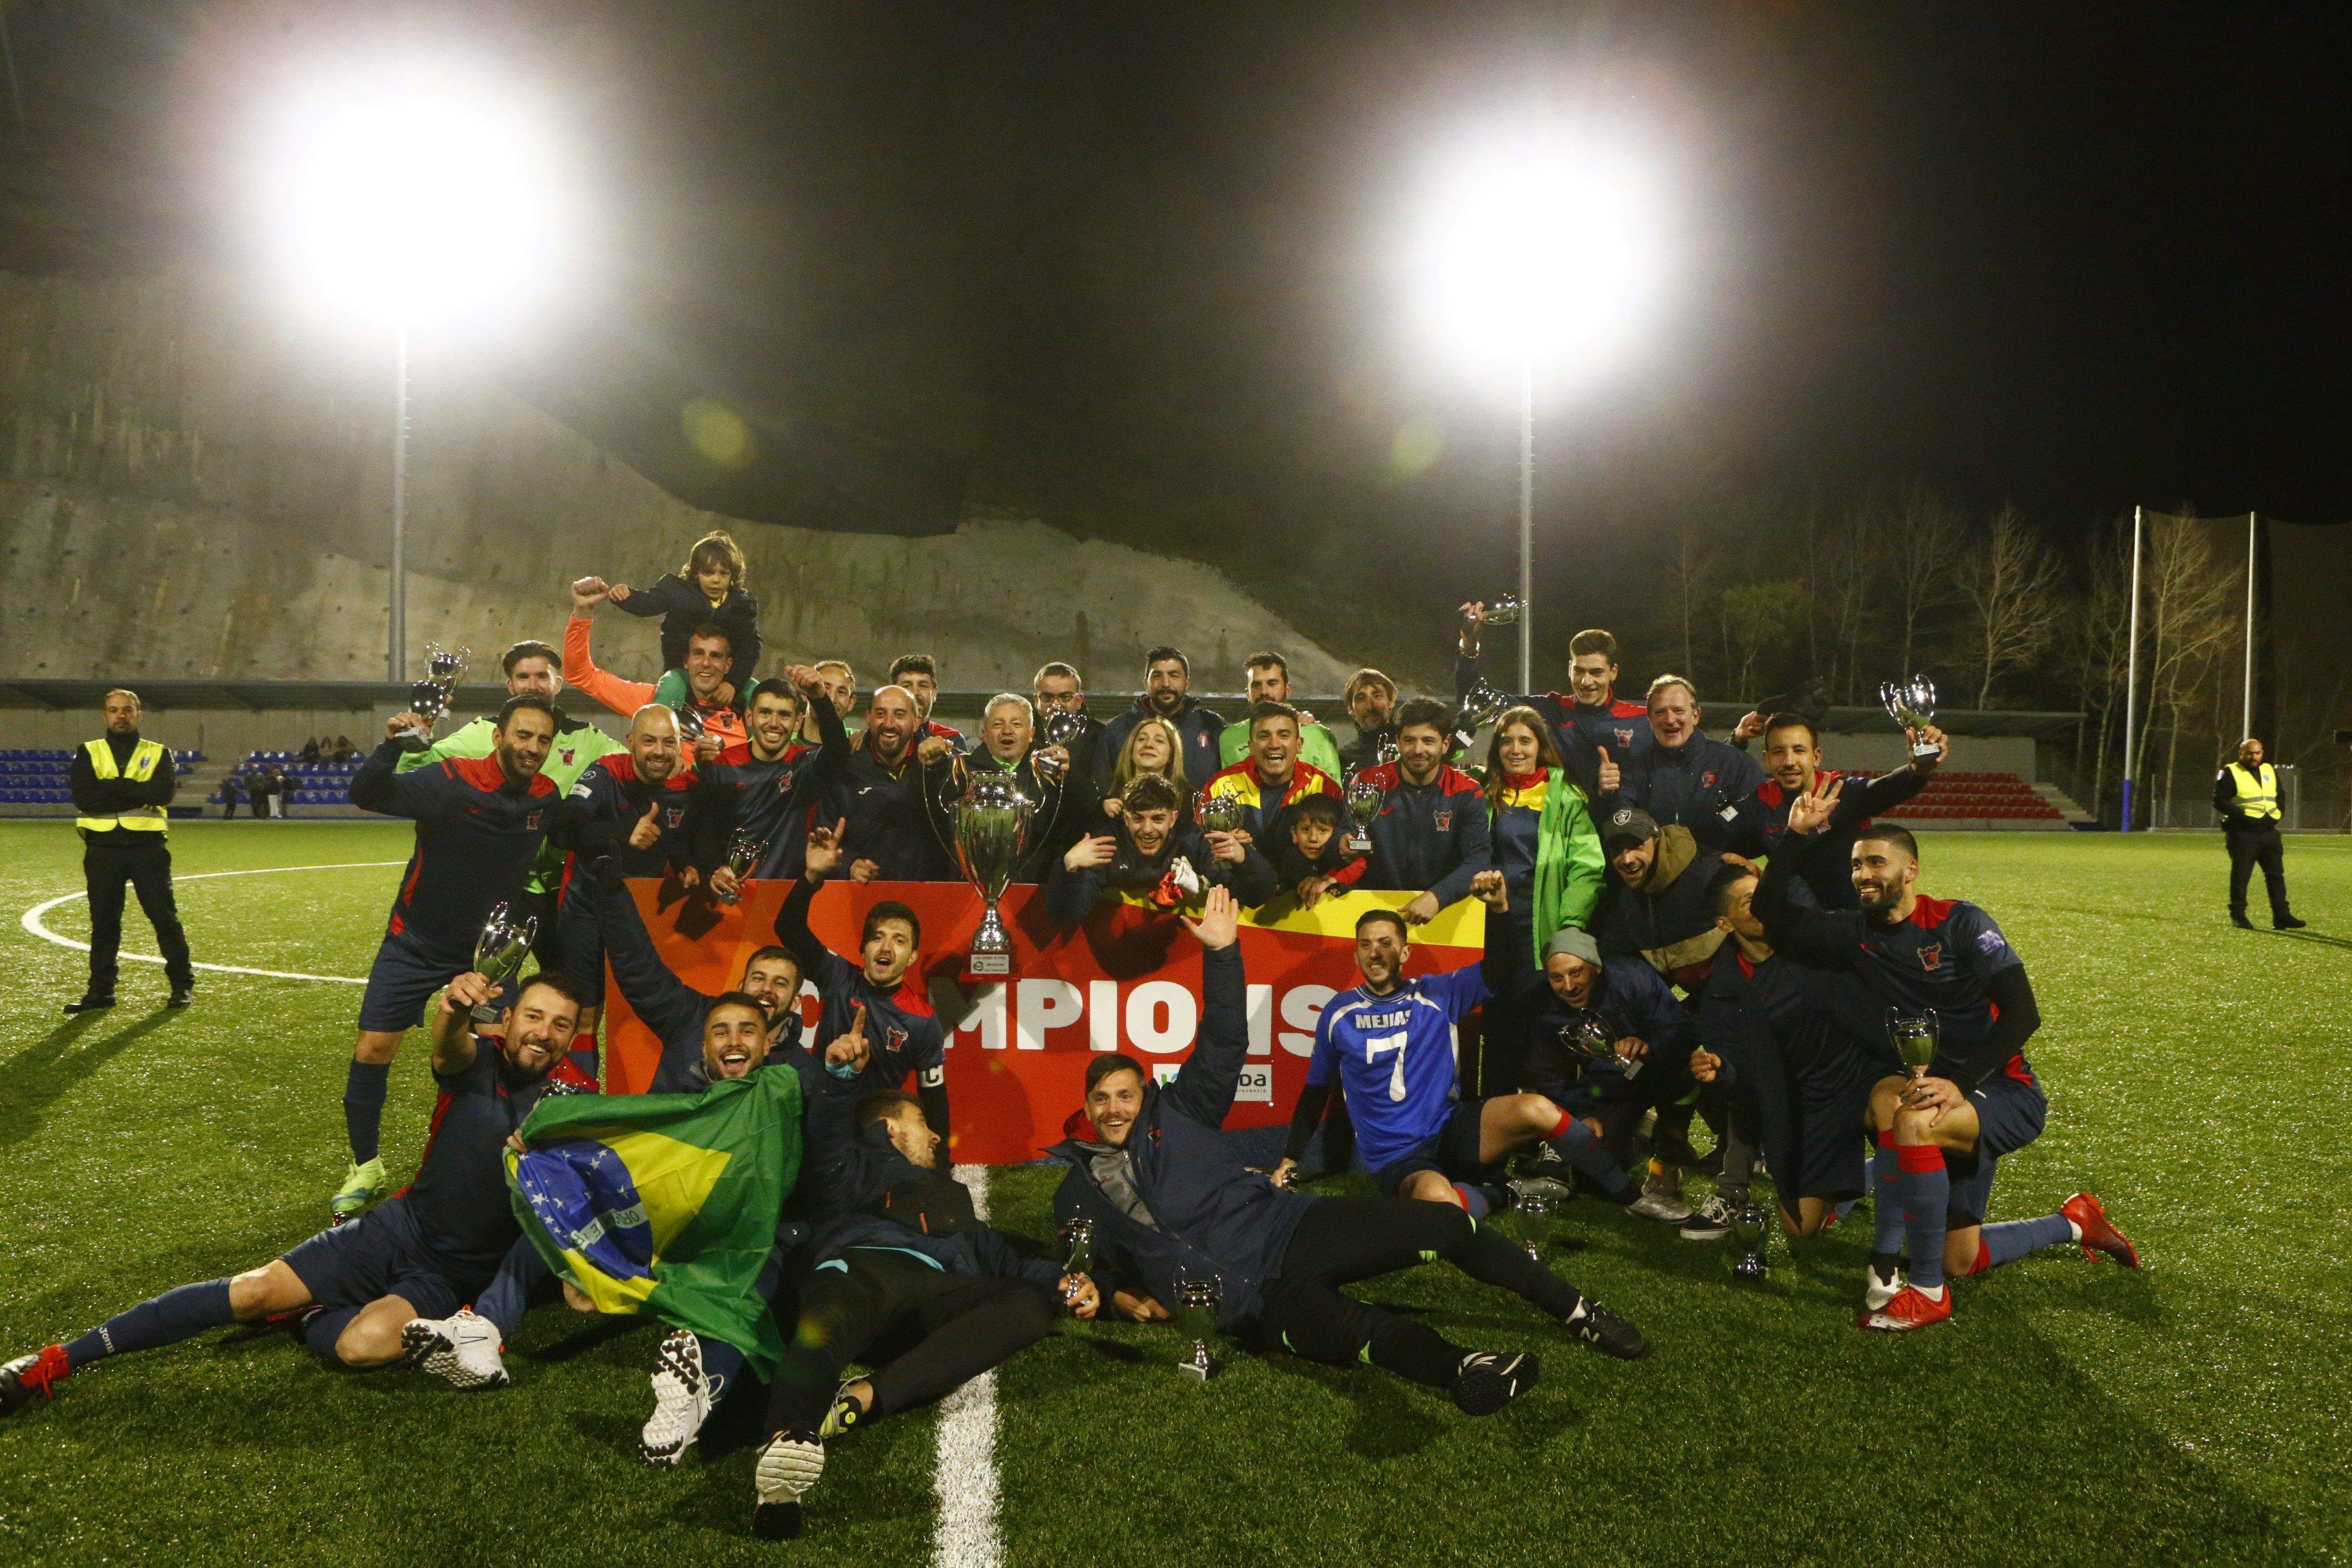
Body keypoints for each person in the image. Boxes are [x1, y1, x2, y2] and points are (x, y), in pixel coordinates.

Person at [1050, 889, 1637, 1418]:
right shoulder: (1075, 1190)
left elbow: (1225, 1037)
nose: (1113, 1109)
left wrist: (1224, 954)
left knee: (1447, 1224)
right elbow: (1079, 1271)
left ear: (1145, 1093)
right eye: (1100, 1099)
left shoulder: (1179, 1111)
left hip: (1290, 1226)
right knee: (1365, 1333)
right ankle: (1467, 1370)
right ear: (1086, 1105)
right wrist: (1114, 1297)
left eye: (1125, 1095)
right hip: (1248, 1303)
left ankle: (1578, 1310)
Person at [1, 972, 587, 1414]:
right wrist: (452, 1009)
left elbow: (592, 1193)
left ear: (575, 1035)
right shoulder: (475, 1059)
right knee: (254, 1291)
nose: (543, 1033)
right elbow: (447, 1046)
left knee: (365, 1345)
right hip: (396, 1229)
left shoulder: (578, 1105)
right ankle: (58, 1359)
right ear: (507, 1019)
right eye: (534, 1016)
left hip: (452, 1276)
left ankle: (308, 1315)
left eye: (560, 1024)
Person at [1758, 779, 2141, 1331]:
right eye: (1856, 866)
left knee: (1909, 1118)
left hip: (2001, 1091)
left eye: (1876, 863)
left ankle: (1921, 1286)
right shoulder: (1854, 933)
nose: (1864, 875)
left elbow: (2022, 1013)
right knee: (1960, 1250)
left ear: (1910, 870)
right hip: (1937, 1095)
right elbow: (1771, 909)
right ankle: (2074, 1221)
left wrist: (1960, 1081)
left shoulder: (1961, 922)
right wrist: (1794, 836)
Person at [752, 1067, 1095, 1539]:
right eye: (921, 1121)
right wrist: (836, 1072)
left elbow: (1012, 1263)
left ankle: (863, 1397)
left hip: (932, 1290)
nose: (936, 1134)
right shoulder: (849, 1167)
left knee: (1028, 1304)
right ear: (888, 1128)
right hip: (860, 1269)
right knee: (823, 1330)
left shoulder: (950, 1198)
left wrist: (1067, 1283)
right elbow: (828, 1127)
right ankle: (782, 1464)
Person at [1276, 904, 1657, 1296]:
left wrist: (1503, 910)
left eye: (1386, 943)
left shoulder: (1439, 992)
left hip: (1452, 1128)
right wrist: (1290, 1159)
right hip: (1399, 1156)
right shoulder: (1338, 1014)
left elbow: (1507, 962)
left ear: (1404, 952)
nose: (1375, 952)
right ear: (1356, 953)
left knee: (1537, 1108)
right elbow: (1315, 1088)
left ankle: (1631, 1196)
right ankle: (1503, 1190)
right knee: (1445, 1212)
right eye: (1366, 944)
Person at [332, 695, 562, 1222]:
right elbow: (367, 793)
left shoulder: (546, 798)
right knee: (373, 1050)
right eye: (523, 736)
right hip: (415, 941)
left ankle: (497, 1159)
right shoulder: (451, 779)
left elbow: (577, 833)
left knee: (501, 1056)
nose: (532, 748)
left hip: (488, 954)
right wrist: (390, 747)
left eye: (543, 740)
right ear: (498, 737)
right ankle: (366, 1165)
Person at [1690, 864, 1891, 1238]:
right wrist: (1724, 1070)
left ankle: (1890, 1252)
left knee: (1893, 1115)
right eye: (1752, 902)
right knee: (1800, 1228)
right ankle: (1860, 1176)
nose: (1766, 906)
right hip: (1814, 1102)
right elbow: (1745, 1078)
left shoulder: (1812, 938)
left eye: (1767, 895)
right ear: (1725, 924)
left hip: (1869, 1074)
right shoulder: (1722, 990)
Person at [399, 637, 624, 968]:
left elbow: (635, 765)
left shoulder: (586, 738)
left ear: (557, 684)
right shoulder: (483, 733)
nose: (532, 685)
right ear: (509, 685)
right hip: (496, 886)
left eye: (541, 676)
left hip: (559, 889)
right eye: (523, 677)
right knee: (483, 987)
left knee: (571, 985)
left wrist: (681, 757)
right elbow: (416, 770)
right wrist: (418, 732)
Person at [777, 818, 951, 1137]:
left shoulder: (923, 1021)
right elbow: (788, 928)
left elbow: (934, 1097)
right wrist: (813, 876)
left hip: (877, 1133)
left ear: (912, 956)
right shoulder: (838, 976)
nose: (886, 947)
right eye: (878, 937)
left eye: (899, 941)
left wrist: (940, 1164)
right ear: (863, 948)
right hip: (818, 1118)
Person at [551, 705, 701, 1060]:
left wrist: (686, 863)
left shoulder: (686, 786)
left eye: (669, 742)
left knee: (644, 1010)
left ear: (681, 746)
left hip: (641, 913)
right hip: (588, 908)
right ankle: (580, 1092)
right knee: (585, 1010)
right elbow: (563, 828)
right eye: (649, 741)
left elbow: (685, 835)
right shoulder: (605, 774)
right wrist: (621, 835)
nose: (659, 752)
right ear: (630, 742)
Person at [1521, 928, 1699, 1225]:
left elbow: (1682, 1030)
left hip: (1659, 1070)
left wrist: (1649, 1046)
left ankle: (1670, 1154)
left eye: (1577, 973)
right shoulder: (1543, 1008)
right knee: (1593, 1176)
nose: (1569, 986)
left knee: (1685, 1072)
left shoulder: (1633, 979)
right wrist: (1583, 1113)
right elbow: (1549, 1074)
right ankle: (1641, 1132)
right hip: (1610, 1088)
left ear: (1596, 968)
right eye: (1557, 978)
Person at [1476, 706, 1603, 1095]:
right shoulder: (1482, 795)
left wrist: (1568, 928)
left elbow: (1588, 866)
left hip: (1544, 931)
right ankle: (1494, 1128)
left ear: (1540, 746)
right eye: (1507, 740)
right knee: (1497, 1034)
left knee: (1546, 1037)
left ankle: (1550, 1135)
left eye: (1525, 740)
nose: (1516, 749)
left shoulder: (1566, 796)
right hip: (1493, 933)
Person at [1704, 710, 1947, 910]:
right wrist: (1727, 857)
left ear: (1816, 756)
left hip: (1856, 922)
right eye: (1779, 752)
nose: (1789, 762)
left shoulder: (1842, 791)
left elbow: (1884, 789)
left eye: (1799, 750)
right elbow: (1708, 839)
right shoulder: (1757, 804)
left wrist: (1917, 771)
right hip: (1798, 930)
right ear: (1767, 759)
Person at [64, 688, 194, 1013]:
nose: (120, 715)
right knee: (104, 923)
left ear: (138, 714)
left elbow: (162, 793)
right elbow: (85, 799)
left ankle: (182, 986)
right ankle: (101, 992)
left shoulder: (158, 752)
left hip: (147, 849)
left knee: (164, 918)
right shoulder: (88, 751)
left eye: (126, 710)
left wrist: (109, 785)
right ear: (105, 715)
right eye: (113, 710)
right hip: (103, 850)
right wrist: (138, 792)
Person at [691, 668, 850, 887]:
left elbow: (839, 750)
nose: (774, 723)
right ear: (749, 717)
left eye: (784, 715)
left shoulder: (805, 765)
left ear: (797, 722)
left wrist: (820, 697)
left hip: (787, 895)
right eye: (765, 712)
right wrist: (715, 868)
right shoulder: (722, 765)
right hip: (731, 895)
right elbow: (701, 829)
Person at [1047, 775, 1277, 924]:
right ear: (1126, 819)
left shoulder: (1194, 840)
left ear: (1173, 818)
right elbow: (1066, 917)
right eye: (1138, 819)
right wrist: (1069, 867)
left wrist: (1245, 858)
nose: (1147, 830)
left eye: (1158, 819)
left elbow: (1257, 897)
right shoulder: (1104, 845)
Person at [1454, 611, 1651, 777]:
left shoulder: (1641, 720)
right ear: (1569, 669)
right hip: (1555, 821)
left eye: (1596, 672)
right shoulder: (1548, 711)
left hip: (1617, 820)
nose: (1586, 682)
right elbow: (1477, 697)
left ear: (1613, 672)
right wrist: (1469, 650)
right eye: (1579, 671)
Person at [1353, 698, 1495, 926]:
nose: (1419, 750)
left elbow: (1478, 858)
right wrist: (1340, 847)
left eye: (1428, 741)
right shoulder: (1369, 782)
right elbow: (1344, 836)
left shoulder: (1466, 791)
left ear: (1446, 744)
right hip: (1374, 913)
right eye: (1410, 740)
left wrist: (1438, 896)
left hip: (1443, 916)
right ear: (1398, 742)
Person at [565, 576, 747, 751]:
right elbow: (581, 674)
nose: (706, 663)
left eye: (715, 656)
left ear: (728, 665)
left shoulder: (752, 711)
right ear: (686, 661)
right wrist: (583, 610)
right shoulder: (654, 701)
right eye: (698, 654)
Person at [919, 692, 1078, 881]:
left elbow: (1081, 816)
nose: (1007, 731)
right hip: (969, 887)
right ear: (984, 734)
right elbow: (926, 812)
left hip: (1036, 888)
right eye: (997, 724)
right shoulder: (958, 770)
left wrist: (1070, 777)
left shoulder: (1050, 771)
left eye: (1016, 724)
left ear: (1031, 733)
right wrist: (929, 769)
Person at [605, 528, 763, 702]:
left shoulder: (742, 604)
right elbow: (649, 603)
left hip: (724, 676)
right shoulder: (678, 591)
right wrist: (626, 596)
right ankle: (659, 727)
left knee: (758, 694)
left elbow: (751, 646)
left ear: (732, 576)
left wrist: (733, 683)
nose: (716, 580)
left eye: (723, 574)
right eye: (709, 573)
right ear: (696, 573)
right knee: (671, 686)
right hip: (684, 673)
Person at [1596, 676, 1764, 832]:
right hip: (1657, 863)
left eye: (1678, 710)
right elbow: (1623, 827)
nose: (1670, 719)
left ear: (1696, 715)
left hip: (1718, 863)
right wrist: (1609, 795)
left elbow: (1757, 818)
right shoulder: (1633, 770)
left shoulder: (1735, 763)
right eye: (1661, 712)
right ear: (1650, 719)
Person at [830, 684, 957, 881]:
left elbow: (954, 834)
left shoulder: (939, 765)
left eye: (899, 715)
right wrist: (848, 864)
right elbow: (824, 839)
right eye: (881, 714)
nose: (889, 724)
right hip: (865, 895)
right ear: (868, 718)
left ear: (916, 722)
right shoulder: (845, 770)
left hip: (929, 896)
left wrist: (936, 769)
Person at [1198, 701, 1342, 851]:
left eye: (1284, 735)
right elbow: (1199, 845)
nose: (1274, 744)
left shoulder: (1324, 787)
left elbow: (1340, 847)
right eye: (1264, 736)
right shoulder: (1220, 785)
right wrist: (1221, 845)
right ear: (1251, 746)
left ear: (1299, 745)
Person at [1093, 646, 1225, 788]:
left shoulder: (1211, 725)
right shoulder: (1118, 728)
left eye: (1174, 676)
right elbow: (1103, 783)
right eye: (1157, 676)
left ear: (1187, 683)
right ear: (1146, 683)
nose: (1166, 684)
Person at [2215, 737, 2303, 930]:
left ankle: (2281, 915)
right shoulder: (2231, 772)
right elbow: (2220, 800)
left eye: (2257, 753)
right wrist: (2243, 817)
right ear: (2241, 754)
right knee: (2241, 876)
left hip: (2268, 833)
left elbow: (2280, 795)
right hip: (2243, 834)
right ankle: (2238, 915)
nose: (2254, 757)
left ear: (2262, 753)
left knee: (2276, 875)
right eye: (2249, 753)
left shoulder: (2269, 770)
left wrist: (2277, 814)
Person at [1216, 652, 1344, 777]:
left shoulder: (1317, 735)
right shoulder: (1228, 739)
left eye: (1272, 684)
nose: (1264, 691)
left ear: (1288, 689)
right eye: (1256, 685)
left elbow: (1333, 793)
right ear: (1247, 693)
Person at [1267, 793, 1366, 907]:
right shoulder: (1288, 859)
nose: (1313, 838)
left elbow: (1359, 863)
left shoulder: (1339, 859)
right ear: (1294, 833)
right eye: (1306, 829)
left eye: (1323, 831)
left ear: (1335, 834)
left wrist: (1330, 881)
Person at [1096, 713, 1192, 823]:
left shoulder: (1189, 804)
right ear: (1131, 751)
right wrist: (1100, 812)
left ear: (1172, 755)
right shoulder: (1107, 804)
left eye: (1159, 741)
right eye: (1142, 739)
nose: (1149, 745)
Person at [888, 653, 965, 752]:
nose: (915, 693)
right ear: (893, 692)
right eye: (906, 686)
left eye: (923, 686)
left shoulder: (953, 739)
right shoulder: (877, 737)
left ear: (934, 693)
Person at [1337, 668, 1400, 777]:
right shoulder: (1342, 759)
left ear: (1391, 701)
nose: (1370, 706)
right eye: (1361, 699)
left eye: (1377, 696)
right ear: (1350, 709)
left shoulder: (1409, 749)